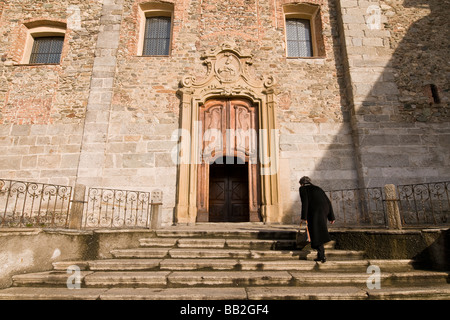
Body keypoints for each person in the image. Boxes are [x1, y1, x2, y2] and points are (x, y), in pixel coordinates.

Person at [299, 176, 335, 263]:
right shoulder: (318, 188)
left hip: (315, 211)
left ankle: (321, 254)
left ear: (302, 183)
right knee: (319, 230)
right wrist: (331, 217)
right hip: (324, 210)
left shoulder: (303, 189)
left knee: (315, 231)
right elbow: (328, 201)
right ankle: (321, 255)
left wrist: (304, 217)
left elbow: (305, 202)